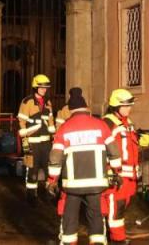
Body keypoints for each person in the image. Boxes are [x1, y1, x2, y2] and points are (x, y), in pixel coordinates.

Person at [48, 88, 122, 245]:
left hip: (72, 187)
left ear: (70, 109)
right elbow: (114, 152)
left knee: (69, 220)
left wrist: (52, 180)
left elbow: (55, 158)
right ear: (86, 108)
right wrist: (117, 172)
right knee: (96, 219)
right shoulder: (101, 125)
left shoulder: (64, 128)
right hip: (96, 186)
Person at [103, 88, 139, 245]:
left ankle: (117, 236)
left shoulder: (127, 122)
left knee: (121, 209)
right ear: (115, 106)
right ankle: (117, 240)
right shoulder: (107, 124)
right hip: (117, 177)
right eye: (125, 106)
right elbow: (104, 151)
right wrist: (110, 173)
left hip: (130, 178)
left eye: (130, 105)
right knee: (114, 209)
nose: (129, 108)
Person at [18, 73, 57, 201]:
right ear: (35, 87)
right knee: (32, 172)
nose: (44, 89)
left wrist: (54, 136)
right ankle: (31, 196)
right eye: (41, 87)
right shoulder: (27, 102)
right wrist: (24, 141)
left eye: (46, 87)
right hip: (32, 143)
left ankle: (48, 194)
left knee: (48, 169)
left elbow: (51, 120)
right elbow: (22, 122)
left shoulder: (48, 102)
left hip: (46, 143)